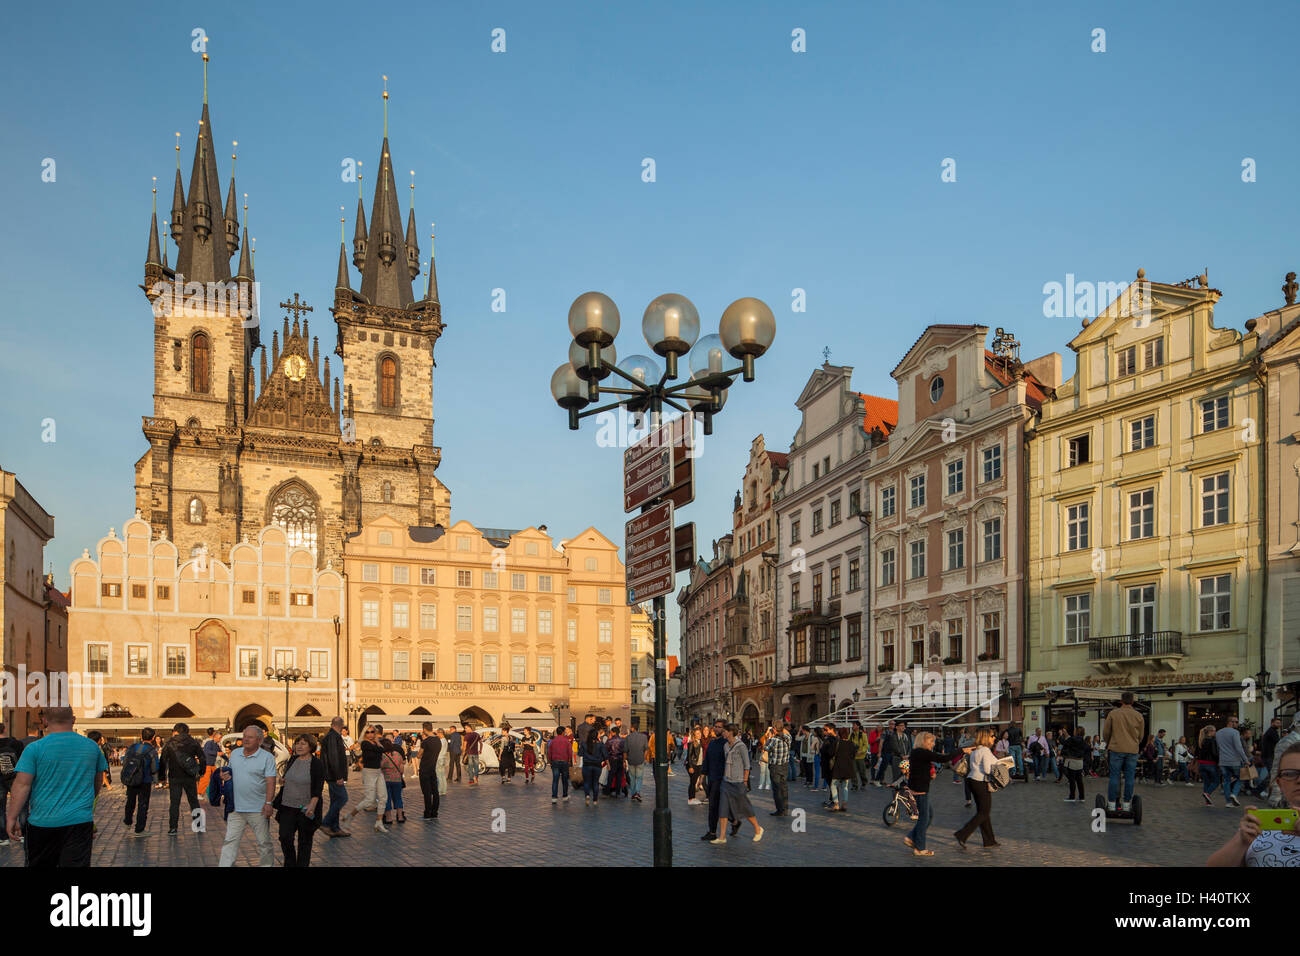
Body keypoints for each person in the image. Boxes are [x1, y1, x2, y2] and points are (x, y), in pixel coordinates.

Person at [4, 708, 106, 866]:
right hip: (79, 822)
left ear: (44, 721)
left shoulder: (34, 748)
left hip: (42, 823)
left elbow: (22, 784)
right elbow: (97, 781)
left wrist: (11, 817)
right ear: (73, 719)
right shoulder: (91, 747)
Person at [1208, 741, 1300, 866]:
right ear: (1280, 783)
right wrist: (1241, 842)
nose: (1299, 780)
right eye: (1290, 774)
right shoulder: (1261, 827)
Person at [217, 725, 278, 867]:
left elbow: (271, 781)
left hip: (258, 809)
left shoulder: (267, 757)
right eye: (244, 736)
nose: (246, 739)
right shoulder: (236, 754)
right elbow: (230, 774)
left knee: (264, 843)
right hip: (236, 808)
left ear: (259, 740)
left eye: (250, 737)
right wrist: (224, 776)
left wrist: (269, 803)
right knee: (230, 841)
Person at [902, 731, 967, 857]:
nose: (932, 744)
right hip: (920, 789)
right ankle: (920, 847)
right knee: (924, 818)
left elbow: (922, 767)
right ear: (924, 741)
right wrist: (961, 750)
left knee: (928, 815)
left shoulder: (917, 752)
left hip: (917, 787)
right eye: (931, 741)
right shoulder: (923, 752)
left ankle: (911, 838)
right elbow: (944, 758)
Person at [273, 734, 323, 867]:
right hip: (287, 806)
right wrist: (282, 780)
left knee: (305, 842)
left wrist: (312, 806)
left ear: (311, 746)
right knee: (284, 837)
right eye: (297, 743)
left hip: (305, 808)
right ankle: (290, 863)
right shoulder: (293, 759)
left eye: (303, 743)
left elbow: (318, 788)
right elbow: (288, 777)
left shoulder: (316, 763)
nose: (299, 746)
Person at [709, 724, 764, 844]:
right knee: (722, 809)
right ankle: (722, 836)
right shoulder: (725, 746)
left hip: (738, 782)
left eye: (725, 731)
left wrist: (745, 781)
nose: (723, 733)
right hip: (726, 781)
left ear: (730, 732)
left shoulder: (741, 746)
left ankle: (757, 828)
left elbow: (747, 765)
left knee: (744, 808)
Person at [952, 729, 1000, 849]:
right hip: (980, 782)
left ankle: (989, 840)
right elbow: (988, 770)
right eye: (992, 736)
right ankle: (962, 834)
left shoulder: (976, 749)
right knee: (984, 812)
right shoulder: (985, 750)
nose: (994, 738)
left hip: (972, 780)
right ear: (986, 737)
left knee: (984, 812)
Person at [156, 722, 206, 835]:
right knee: (194, 801)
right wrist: (201, 771)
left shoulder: (169, 743)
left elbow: (163, 761)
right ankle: (198, 826)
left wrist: (162, 777)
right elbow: (202, 758)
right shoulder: (193, 742)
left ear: (176, 731)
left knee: (174, 803)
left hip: (174, 776)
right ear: (187, 731)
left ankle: (173, 828)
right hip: (190, 776)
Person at [1102, 693, 1145, 812]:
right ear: (1132, 701)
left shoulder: (1113, 713)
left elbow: (1106, 732)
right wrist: (1135, 743)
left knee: (1114, 777)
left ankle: (1111, 803)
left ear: (1121, 701)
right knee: (1130, 777)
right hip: (1132, 750)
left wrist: (1109, 742)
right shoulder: (1138, 716)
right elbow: (1141, 736)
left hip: (1116, 748)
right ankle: (1126, 803)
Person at [342, 726, 390, 833]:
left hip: (378, 772)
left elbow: (382, 750)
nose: (370, 734)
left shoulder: (375, 743)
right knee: (369, 800)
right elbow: (381, 750)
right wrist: (378, 746)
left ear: (375, 733)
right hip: (369, 772)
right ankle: (349, 816)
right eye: (368, 732)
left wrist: (377, 742)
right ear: (365, 734)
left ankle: (379, 822)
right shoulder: (365, 743)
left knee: (383, 797)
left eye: (372, 732)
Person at [121, 727, 159, 838]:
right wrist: (156, 781)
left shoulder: (132, 747)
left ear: (141, 736)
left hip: (131, 779)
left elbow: (125, 761)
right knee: (143, 804)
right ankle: (139, 829)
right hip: (144, 780)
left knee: (130, 801)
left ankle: (127, 822)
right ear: (152, 738)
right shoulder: (152, 751)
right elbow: (154, 767)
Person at [702, 718, 736, 841]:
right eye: (715, 726)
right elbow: (707, 759)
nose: (716, 728)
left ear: (724, 729)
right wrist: (703, 776)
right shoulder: (712, 743)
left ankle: (712, 832)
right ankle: (734, 821)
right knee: (717, 805)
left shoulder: (726, 744)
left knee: (715, 806)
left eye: (719, 727)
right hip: (711, 777)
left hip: (721, 778)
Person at [319, 716, 350, 837]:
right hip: (333, 776)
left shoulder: (332, 736)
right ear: (341, 725)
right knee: (343, 798)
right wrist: (338, 776)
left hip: (331, 775)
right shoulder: (333, 737)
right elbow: (333, 757)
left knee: (335, 801)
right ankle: (326, 823)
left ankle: (335, 828)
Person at [1216, 715, 1249, 808]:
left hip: (1223, 761)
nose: (1237, 724)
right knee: (1241, 778)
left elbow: (1219, 747)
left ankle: (1228, 802)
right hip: (1234, 761)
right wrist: (1245, 760)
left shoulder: (1218, 732)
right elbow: (1238, 747)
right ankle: (1234, 794)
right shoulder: (1235, 732)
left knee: (1226, 781)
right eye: (1236, 722)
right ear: (1231, 722)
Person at [0, 723, 24, 848]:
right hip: (15, 778)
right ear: (5, 729)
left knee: (0, 809)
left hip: (0, 780)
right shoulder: (16, 743)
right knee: (22, 806)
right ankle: (23, 834)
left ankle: (4, 838)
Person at [765, 724, 791, 816]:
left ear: (775, 729)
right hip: (785, 765)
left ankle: (780, 809)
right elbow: (787, 734)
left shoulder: (773, 740)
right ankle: (785, 809)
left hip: (775, 766)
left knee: (776, 789)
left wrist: (769, 736)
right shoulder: (788, 738)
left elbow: (766, 748)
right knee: (784, 787)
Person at [379, 736, 406, 826]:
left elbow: (380, 766)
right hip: (397, 780)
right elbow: (402, 769)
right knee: (398, 798)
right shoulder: (397, 754)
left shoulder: (383, 756)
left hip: (386, 780)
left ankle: (389, 818)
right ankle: (400, 817)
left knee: (387, 799)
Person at [418, 722, 441, 819]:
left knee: (426, 792)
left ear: (424, 729)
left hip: (424, 769)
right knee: (435, 792)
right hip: (433, 768)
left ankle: (427, 813)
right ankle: (434, 812)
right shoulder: (438, 741)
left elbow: (419, 755)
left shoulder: (425, 742)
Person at [829, 726, 856, 811]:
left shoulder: (837, 743)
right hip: (848, 767)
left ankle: (836, 803)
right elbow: (853, 756)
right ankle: (844, 804)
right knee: (845, 786)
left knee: (833, 785)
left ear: (839, 734)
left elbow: (830, 753)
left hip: (838, 767)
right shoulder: (852, 744)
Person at [579, 726, 607, 806]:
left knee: (586, 782)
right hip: (597, 765)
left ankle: (587, 795)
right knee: (595, 783)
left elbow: (580, 754)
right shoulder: (600, 744)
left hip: (587, 765)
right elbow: (605, 755)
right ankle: (595, 800)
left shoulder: (584, 744)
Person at [1061, 726, 1090, 802]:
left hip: (1072, 761)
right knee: (1079, 780)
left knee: (1072, 780)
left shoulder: (1072, 739)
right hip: (1080, 761)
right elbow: (1087, 750)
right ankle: (1082, 797)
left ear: (1076, 732)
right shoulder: (1083, 741)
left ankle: (1072, 796)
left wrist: (1063, 735)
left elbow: (1064, 743)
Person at [625, 722, 649, 803]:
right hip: (640, 760)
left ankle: (633, 793)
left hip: (631, 760)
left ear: (632, 728)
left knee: (632, 778)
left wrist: (625, 760)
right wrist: (644, 758)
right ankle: (637, 792)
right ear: (638, 728)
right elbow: (646, 749)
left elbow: (625, 751)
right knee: (639, 777)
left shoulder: (628, 737)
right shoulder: (644, 737)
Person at [548, 725, 572, 803]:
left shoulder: (553, 741)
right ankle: (565, 796)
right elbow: (570, 752)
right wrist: (569, 760)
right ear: (562, 732)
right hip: (564, 762)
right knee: (565, 780)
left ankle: (554, 797)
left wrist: (550, 761)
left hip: (555, 762)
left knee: (555, 780)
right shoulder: (566, 741)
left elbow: (549, 752)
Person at [686, 727, 705, 805]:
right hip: (693, 765)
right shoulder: (691, 743)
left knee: (695, 781)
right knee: (692, 782)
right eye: (697, 733)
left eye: (700, 733)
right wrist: (690, 766)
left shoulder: (701, 742)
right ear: (694, 735)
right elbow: (689, 756)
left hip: (699, 765)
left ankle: (693, 798)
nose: (699, 734)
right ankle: (691, 799)